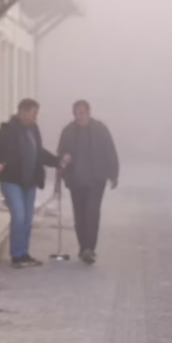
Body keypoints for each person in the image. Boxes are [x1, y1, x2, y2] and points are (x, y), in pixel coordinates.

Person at [0, 99, 61, 267]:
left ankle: (24, 253)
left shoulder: (33, 129)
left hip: (29, 181)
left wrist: (56, 161)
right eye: (32, 113)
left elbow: (38, 152)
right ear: (22, 112)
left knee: (27, 218)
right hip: (11, 180)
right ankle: (16, 255)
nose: (34, 117)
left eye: (35, 114)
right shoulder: (8, 130)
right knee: (19, 216)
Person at [57, 99, 119, 264]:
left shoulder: (100, 129)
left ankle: (89, 248)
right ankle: (83, 246)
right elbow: (60, 152)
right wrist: (63, 158)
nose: (80, 116)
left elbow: (110, 151)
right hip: (76, 180)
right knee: (79, 214)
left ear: (88, 112)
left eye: (82, 113)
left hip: (96, 179)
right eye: (77, 114)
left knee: (92, 212)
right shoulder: (68, 131)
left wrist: (113, 174)